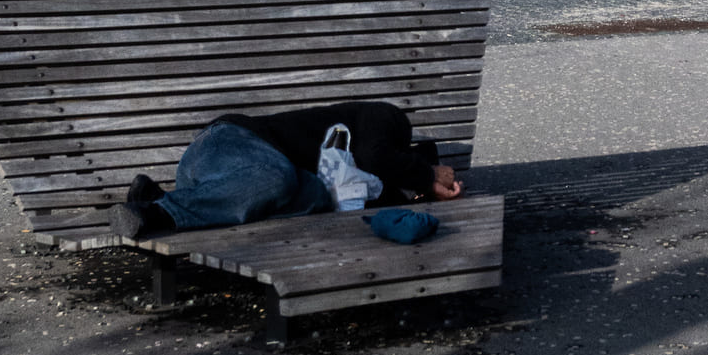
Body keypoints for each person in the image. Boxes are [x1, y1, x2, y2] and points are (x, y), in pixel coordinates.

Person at [108, 101, 463, 239]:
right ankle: (157, 213)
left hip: (222, 186)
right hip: (228, 143)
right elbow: (375, 155)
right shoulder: (384, 116)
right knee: (279, 179)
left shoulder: (367, 179)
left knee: (317, 196)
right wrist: (427, 176)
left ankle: (161, 198)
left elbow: (372, 178)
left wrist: (415, 191)